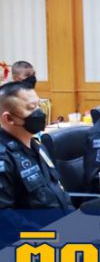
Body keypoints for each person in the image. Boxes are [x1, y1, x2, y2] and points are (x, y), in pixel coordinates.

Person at [0, 82, 72, 210]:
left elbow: (57, 189)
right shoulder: (4, 158)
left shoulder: (37, 145)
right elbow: (5, 215)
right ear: (9, 118)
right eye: (31, 108)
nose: (39, 112)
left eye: (38, 105)